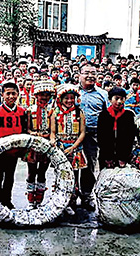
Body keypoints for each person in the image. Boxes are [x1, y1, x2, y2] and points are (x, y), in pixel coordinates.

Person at [50, 84, 87, 215]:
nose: (69, 100)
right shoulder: (55, 112)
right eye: (66, 98)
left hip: (75, 148)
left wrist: (73, 147)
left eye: (72, 98)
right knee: (60, 175)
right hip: (61, 149)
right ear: (61, 99)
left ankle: (72, 201)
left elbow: (82, 132)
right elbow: (53, 132)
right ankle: (60, 201)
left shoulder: (79, 112)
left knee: (74, 177)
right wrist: (53, 141)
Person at [0, 81, 27, 209]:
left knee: (10, 176)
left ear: (17, 94)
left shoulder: (22, 111)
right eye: (8, 94)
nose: (11, 96)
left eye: (13, 93)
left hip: (14, 151)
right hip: (1, 151)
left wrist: (22, 149)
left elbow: (24, 130)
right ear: (2, 95)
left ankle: (7, 200)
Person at [78, 64, 108, 211]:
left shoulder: (103, 94)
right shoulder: (72, 92)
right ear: (79, 75)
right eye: (86, 73)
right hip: (72, 136)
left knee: (89, 165)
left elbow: (107, 115)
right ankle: (70, 197)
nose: (90, 76)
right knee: (70, 166)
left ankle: (86, 195)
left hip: (92, 135)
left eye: (93, 73)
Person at [24, 79, 55, 209]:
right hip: (33, 145)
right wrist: (34, 133)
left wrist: (48, 136)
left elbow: (53, 129)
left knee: (42, 172)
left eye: (47, 95)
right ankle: (31, 200)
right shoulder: (30, 110)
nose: (44, 97)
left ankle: (40, 199)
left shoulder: (52, 110)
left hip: (46, 144)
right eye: (42, 95)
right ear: (36, 95)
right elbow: (27, 129)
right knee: (31, 172)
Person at [97, 87, 137, 169]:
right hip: (106, 155)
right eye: (116, 98)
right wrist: (107, 158)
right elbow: (101, 137)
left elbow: (130, 137)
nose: (119, 101)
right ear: (110, 99)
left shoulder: (129, 116)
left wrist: (124, 157)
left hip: (123, 156)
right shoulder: (103, 115)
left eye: (122, 99)